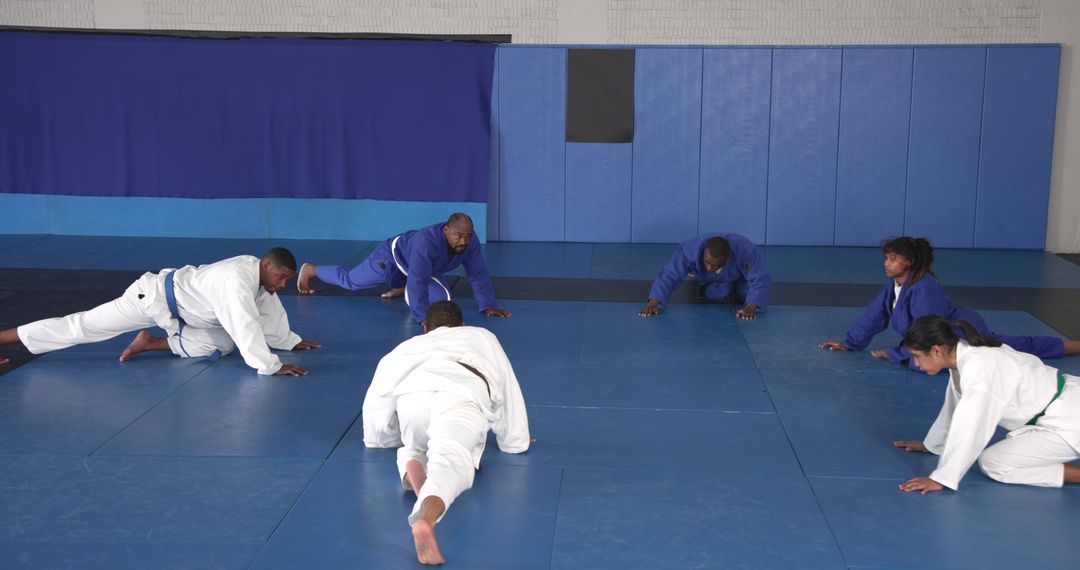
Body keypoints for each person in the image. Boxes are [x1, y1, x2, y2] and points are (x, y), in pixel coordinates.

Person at [362, 300, 531, 565]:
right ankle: (425, 519)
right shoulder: (481, 336)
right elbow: (508, 387)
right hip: (460, 395)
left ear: (425, 328)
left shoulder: (404, 348)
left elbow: (376, 400)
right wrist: (515, 441)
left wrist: (381, 438)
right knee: (451, 459)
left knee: (413, 446)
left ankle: (414, 465)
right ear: (462, 325)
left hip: (412, 399)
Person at [0, 248, 319, 376]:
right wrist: (270, 366)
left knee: (220, 346)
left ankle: (149, 342)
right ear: (266, 266)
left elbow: (267, 309)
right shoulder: (236, 281)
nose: (284, 283)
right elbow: (244, 323)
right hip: (151, 297)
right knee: (82, 326)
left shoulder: (259, 279)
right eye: (282, 277)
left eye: (288, 278)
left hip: (186, 313)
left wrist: (289, 341)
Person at [819, 237, 1080, 368]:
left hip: (961, 333)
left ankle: (1073, 346)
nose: (887, 263)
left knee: (1014, 349)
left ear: (909, 262)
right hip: (940, 337)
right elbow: (875, 315)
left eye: (894, 258)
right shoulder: (897, 283)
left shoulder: (924, 288)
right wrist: (851, 343)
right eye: (887, 257)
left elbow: (931, 331)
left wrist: (896, 353)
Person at [892, 315, 1080, 493]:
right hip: (1064, 408)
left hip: (1069, 419)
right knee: (993, 460)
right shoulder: (964, 355)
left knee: (994, 464)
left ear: (936, 350)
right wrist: (933, 444)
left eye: (917, 356)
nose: (916, 364)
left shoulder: (980, 369)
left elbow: (971, 424)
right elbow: (955, 404)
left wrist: (942, 477)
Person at [297, 213, 511, 326]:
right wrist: (422, 317)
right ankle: (311, 270)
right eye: (459, 236)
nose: (464, 241)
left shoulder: (470, 242)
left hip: (423, 268)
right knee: (351, 282)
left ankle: (400, 287)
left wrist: (488, 304)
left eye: (468, 236)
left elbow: (477, 273)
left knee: (442, 300)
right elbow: (418, 279)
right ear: (446, 230)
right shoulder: (425, 243)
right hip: (392, 258)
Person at [639, 233, 770, 320]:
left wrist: (752, 305)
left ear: (729, 257)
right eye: (707, 262)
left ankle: (728, 284)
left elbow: (759, 278)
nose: (709, 267)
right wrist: (654, 302)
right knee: (714, 292)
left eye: (715, 265)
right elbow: (669, 275)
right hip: (702, 275)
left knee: (745, 295)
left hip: (737, 274)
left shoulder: (745, 250)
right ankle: (717, 283)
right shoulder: (688, 251)